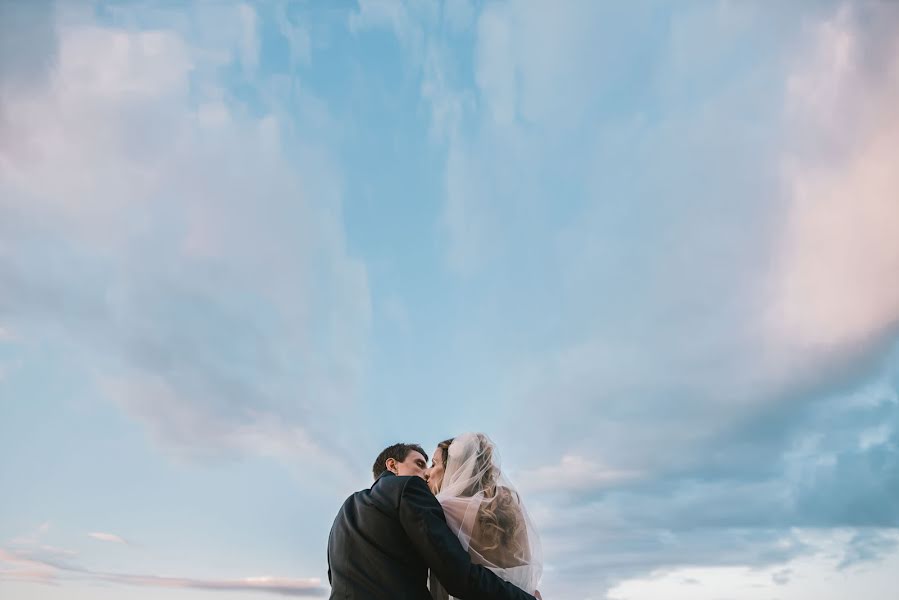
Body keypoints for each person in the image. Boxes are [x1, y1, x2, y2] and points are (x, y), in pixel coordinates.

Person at [327, 442, 538, 600]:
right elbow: (457, 574)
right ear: (392, 465)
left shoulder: (345, 511)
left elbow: (335, 578)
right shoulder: (408, 488)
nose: (426, 473)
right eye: (419, 464)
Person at [427, 434, 542, 600]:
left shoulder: (444, 506)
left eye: (434, 463)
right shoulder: (507, 503)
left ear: (454, 467)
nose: (428, 472)